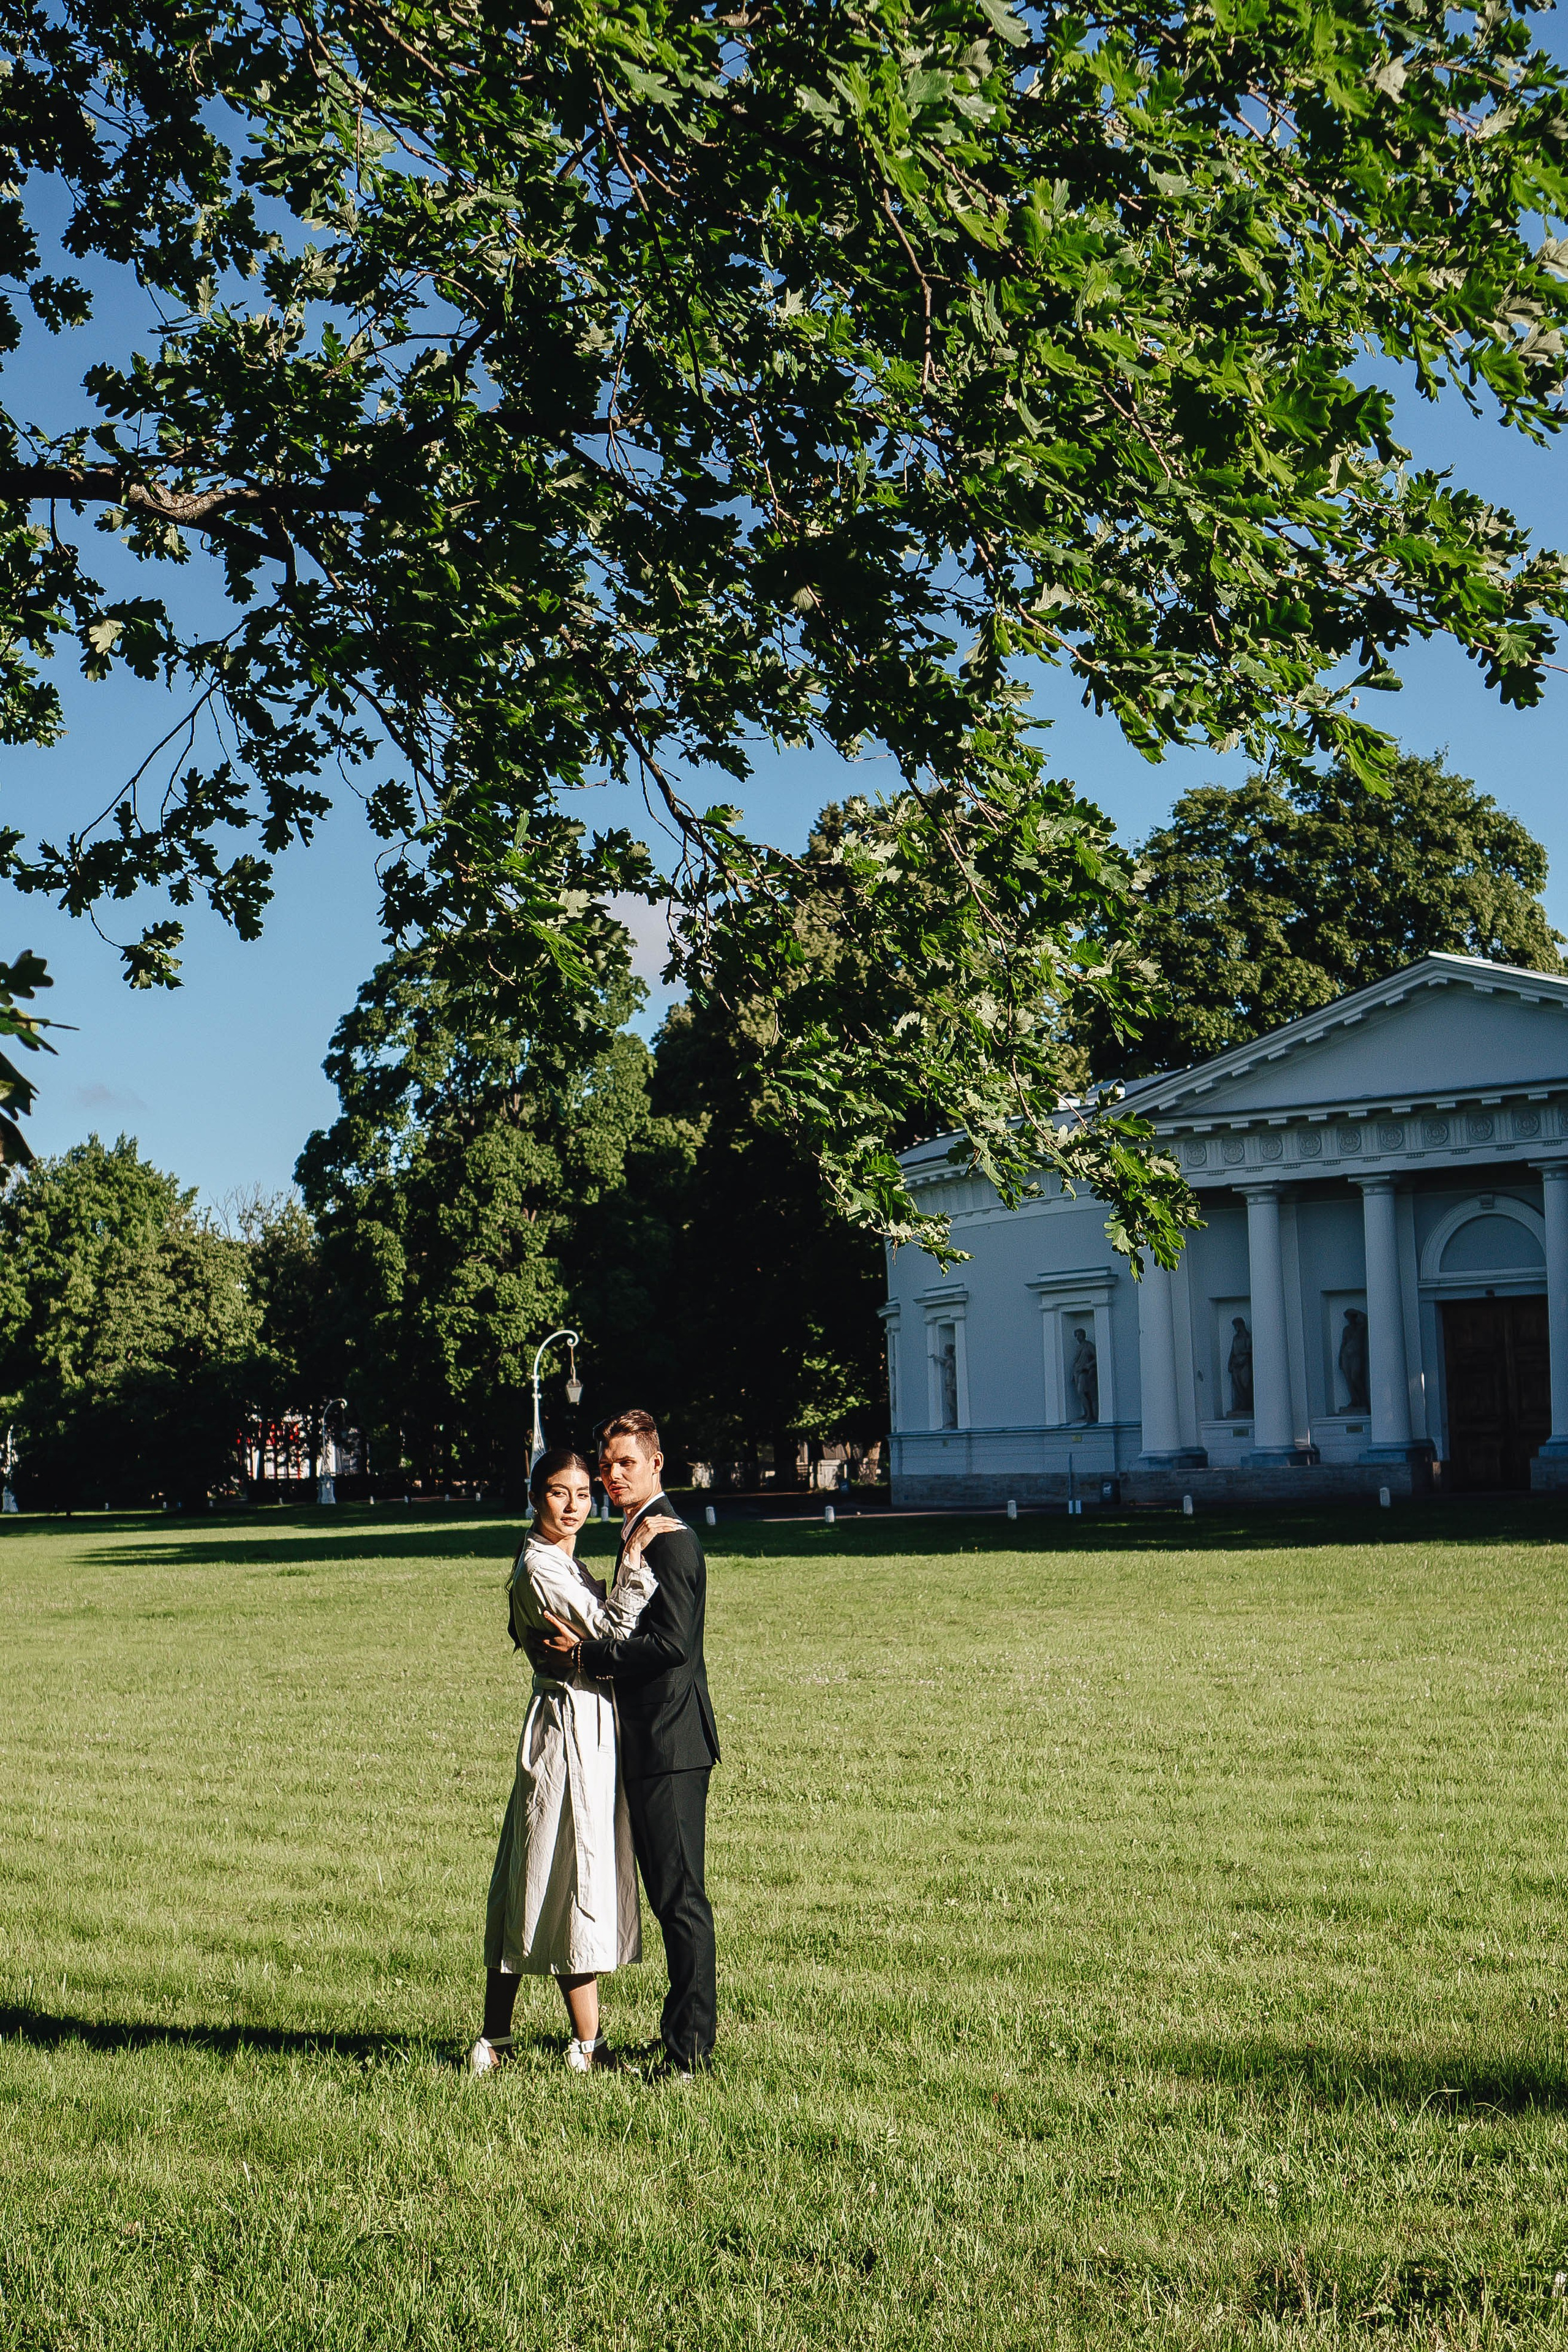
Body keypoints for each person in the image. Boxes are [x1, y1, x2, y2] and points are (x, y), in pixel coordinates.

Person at [539, 1408, 720, 2081]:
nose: (613, 1475)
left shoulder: (669, 1540)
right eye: (606, 1464)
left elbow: (672, 1646)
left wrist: (590, 1654)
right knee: (670, 1897)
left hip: (671, 1743)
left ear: (656, 1465)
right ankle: (679, 2034)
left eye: (626, 1464)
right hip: (645, 1741)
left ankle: (689, 2055)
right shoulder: (639, 1534)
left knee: (681, 1901)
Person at [470, 1449, 659, 2076]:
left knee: (538, 1874)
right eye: (559, 1492)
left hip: (582, 1720)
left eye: (583, 1493)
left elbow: (596, 1644)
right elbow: (614, 1636)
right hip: (569, 1726)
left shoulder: (560, 1560)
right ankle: (587, 2047)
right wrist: (631, 1568)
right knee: (563, 1874)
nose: (574, 1505)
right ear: (535, 1495)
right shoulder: (544, 1569)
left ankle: (495, 2040)